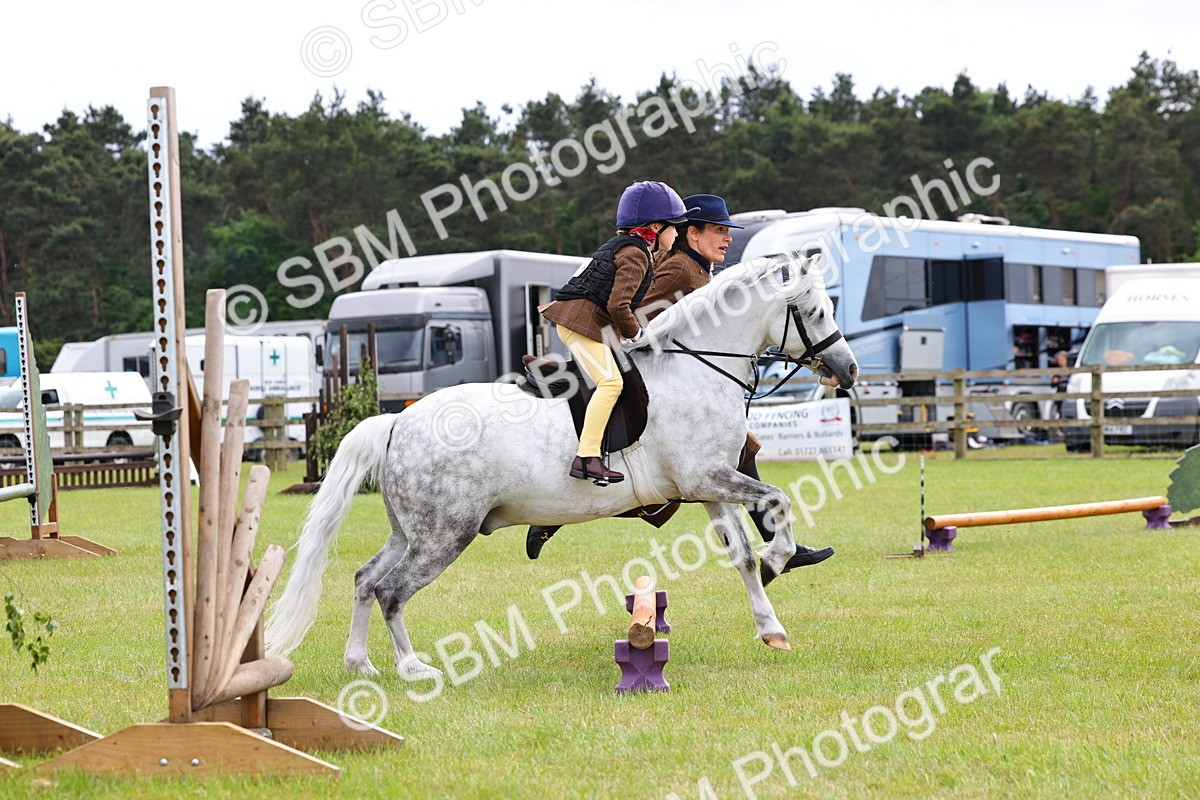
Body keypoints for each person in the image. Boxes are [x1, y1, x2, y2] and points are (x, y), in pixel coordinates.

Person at [528, 194, 835, 571]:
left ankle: (774, 544)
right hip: (656, 377)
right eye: (719, 231)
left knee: (741, 452)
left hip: (675, 378)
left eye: (728, 232)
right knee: (719, 461)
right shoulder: (679, 270)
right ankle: (553, 511)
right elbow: (643, 322)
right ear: (692, 233)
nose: (727, 239)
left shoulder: (701, 270)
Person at [539, 180, 693, 484]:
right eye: (674, 227)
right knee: (610, 383)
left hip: (582, 323)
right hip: (580, 325)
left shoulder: (626, 247)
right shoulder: (636, 254)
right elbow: (619, 304)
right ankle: (587, 457)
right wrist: (636, 333)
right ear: (655, 226)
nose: (678, 235)